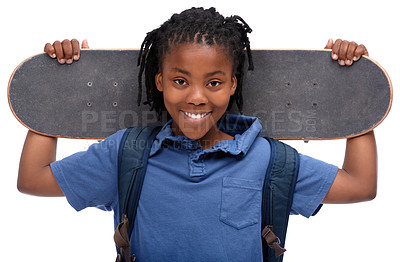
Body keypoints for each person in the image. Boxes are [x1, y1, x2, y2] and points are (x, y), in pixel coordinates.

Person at [17, 7, 376, 261]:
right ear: (159, 82)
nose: (196, 97)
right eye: (180, 80)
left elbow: (360, 185)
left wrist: (351, 92)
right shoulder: (126, 154)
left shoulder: (270, 161)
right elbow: (32, 180)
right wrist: (56, 93)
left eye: (214, 82)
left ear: (233, 84)